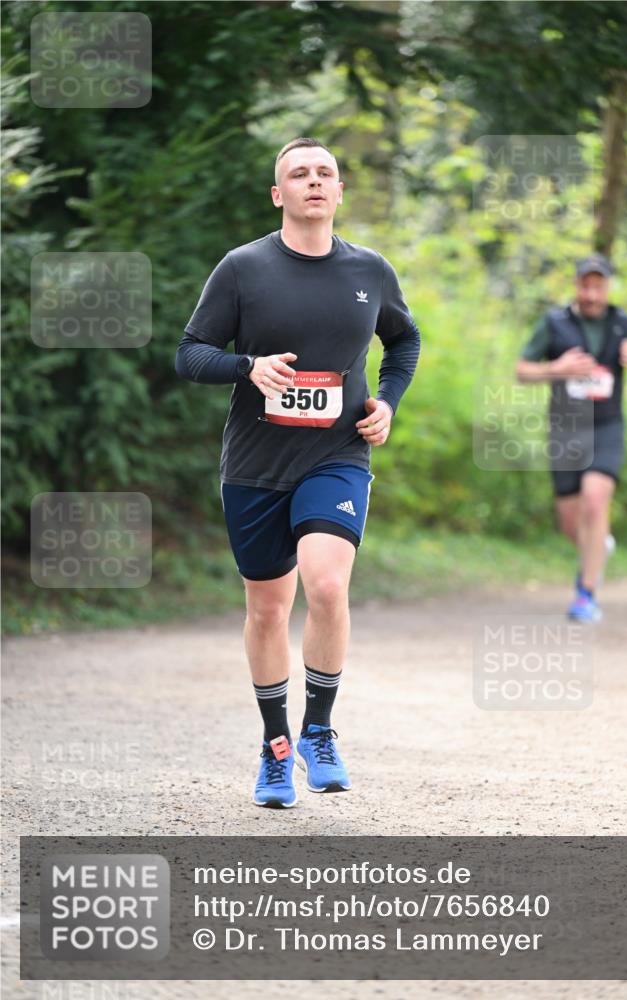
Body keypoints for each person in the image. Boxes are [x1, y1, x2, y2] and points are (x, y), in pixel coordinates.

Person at [175, 137, 420, 807]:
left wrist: (387, 403)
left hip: (336, 455)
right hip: (254, 464)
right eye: (298, 174)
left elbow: (403, 340)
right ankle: (275, 748)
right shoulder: (243, 268)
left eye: (325, 173)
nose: (313, 181)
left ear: (338, 192)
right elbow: (190, 354)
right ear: (278, 194)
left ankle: (319, 730)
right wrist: (246, 366)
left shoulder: (369, 270)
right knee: (266, 609)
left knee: (327, 586)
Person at [516, 253, 627, 622]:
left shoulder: (622, 322)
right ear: (577, 285)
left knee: (596, 502)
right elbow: (522, 370)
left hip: (607, 426)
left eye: (599, 286)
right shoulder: (555, 322)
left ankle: (585, 594)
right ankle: (598, 546)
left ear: (607, 287)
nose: (592, 294)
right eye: (586, 286)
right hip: (565, 428)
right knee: (569, 520)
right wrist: (555, 369)